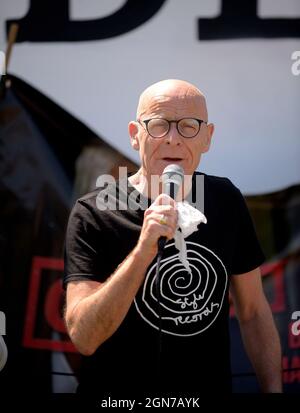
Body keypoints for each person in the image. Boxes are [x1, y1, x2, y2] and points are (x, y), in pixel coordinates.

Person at [63, 79, 282, 395]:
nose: (173, 139)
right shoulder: (94, 212)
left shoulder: (225, 200)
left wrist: (273, 389)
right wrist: (143, 249)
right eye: (159, 125)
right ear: (135, 136)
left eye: (189, 126)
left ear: (207, 138)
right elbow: (83, 337)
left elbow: (253, 311)